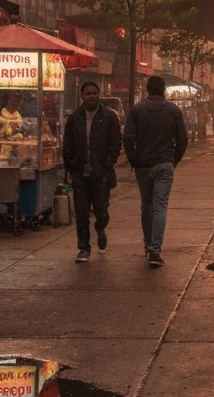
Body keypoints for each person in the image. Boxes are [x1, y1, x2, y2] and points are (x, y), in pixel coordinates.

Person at [123, 75, 188, 268]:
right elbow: (182, 140)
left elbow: (127, 138)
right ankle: (155, 249)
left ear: (147, 90)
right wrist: (173, 159)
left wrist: (134, 159)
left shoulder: (136, 110)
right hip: (164, 164)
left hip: (143, 164)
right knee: (160, 206)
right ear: (164, 90)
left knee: (147, 205)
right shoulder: (173, 110)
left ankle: (147, 243)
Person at [62, 80, 122, 262]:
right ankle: (84, 248)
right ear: (82, 96)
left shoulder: (109, 117)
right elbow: (68, 144)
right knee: (81, 213)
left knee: (101, 210)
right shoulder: (74, 118)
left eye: (95, 93)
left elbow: (115, 143)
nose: (92, 96)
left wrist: (107, 165)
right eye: (88, 93)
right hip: (80, 172)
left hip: (100, 174)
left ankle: (100, 228)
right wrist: (70, 166)